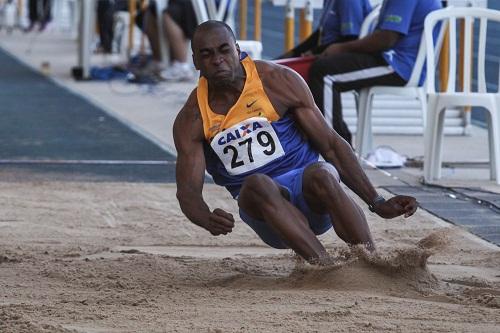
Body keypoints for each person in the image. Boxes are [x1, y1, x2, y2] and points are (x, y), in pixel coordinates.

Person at [174, 21, 418, 264]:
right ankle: (326, 268)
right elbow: (187, 191)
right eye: (207, 54)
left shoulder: (277, 81)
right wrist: (205, 218)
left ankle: (372, 262)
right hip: (265, 213)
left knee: (322, 172)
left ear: (237, 50)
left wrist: (378, 202)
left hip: (313, 195)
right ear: (195, 61)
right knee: (258, 183)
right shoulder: (193, 117)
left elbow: (331, 145)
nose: (217, 60)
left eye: (224, 50)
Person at [308, 0, 442, 145]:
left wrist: (341, 49)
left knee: (324, 73)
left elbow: (386, 39)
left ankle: (336, 148)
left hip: (398, 64)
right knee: (324, 68)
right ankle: (339, 141)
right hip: (392, 59)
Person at [277, 0, 372, 59]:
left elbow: (352, 38)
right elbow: (321, 33)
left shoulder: (348, 2)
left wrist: (315, 52)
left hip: (337, 58)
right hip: (324, 54)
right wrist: (293, 53)